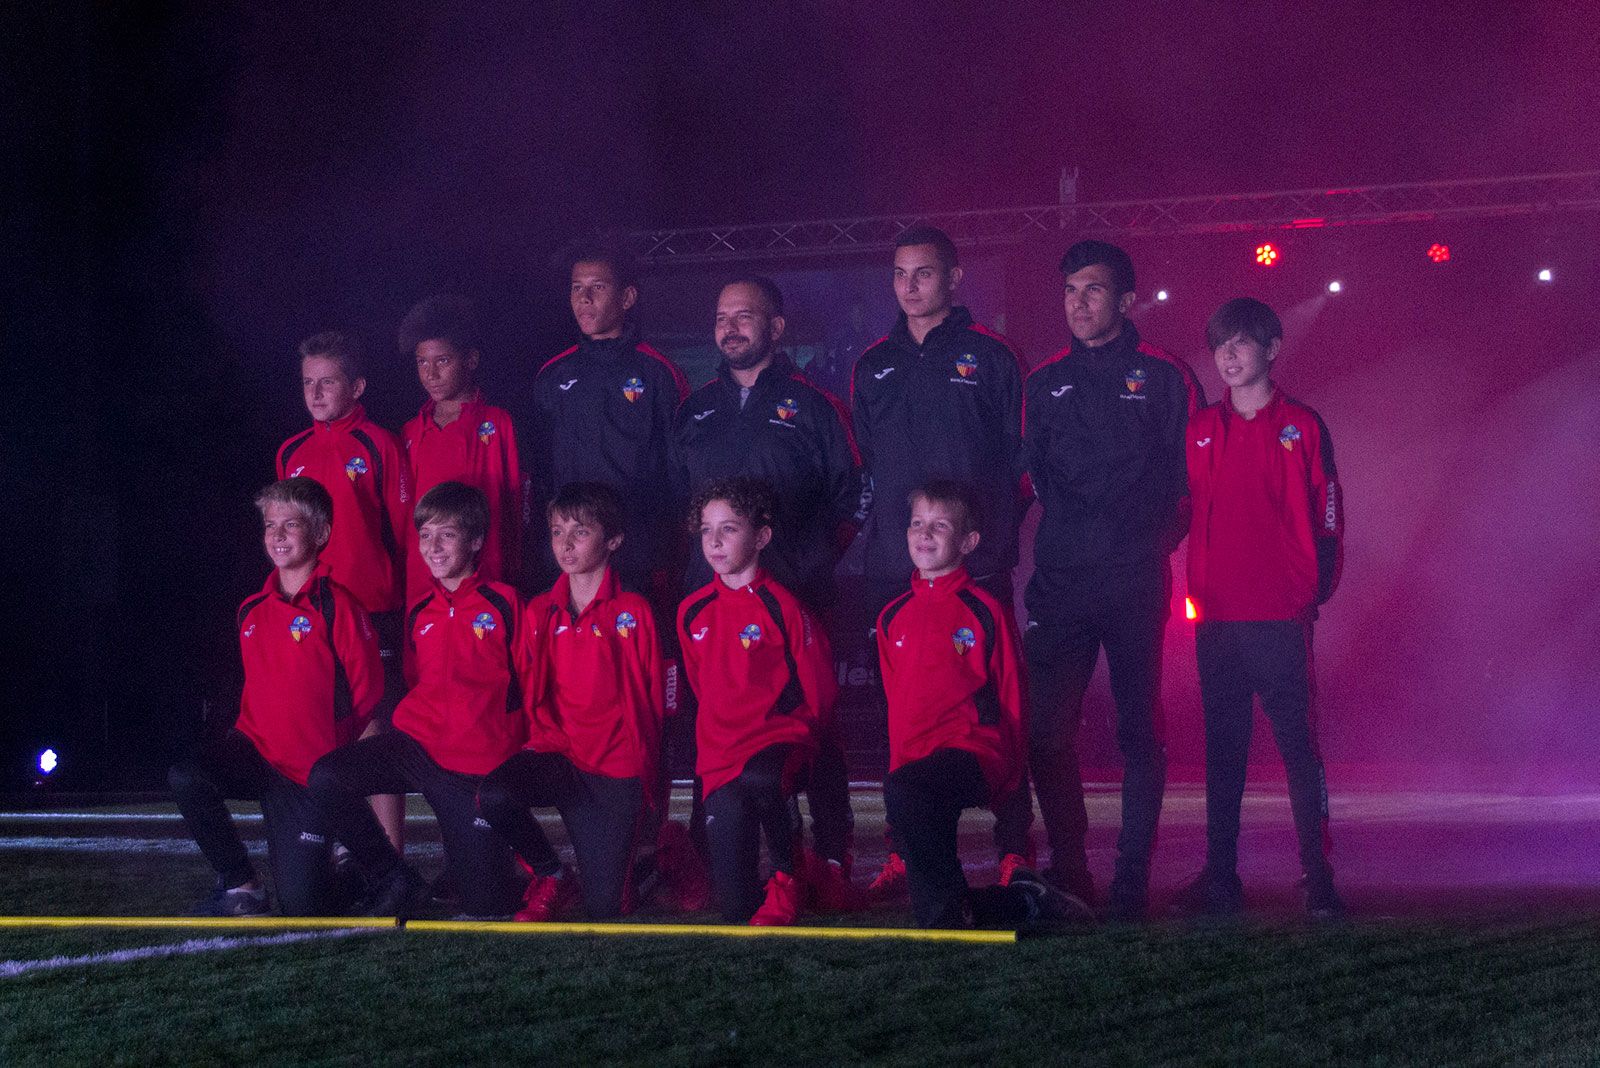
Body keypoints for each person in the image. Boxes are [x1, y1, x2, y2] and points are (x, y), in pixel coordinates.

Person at [1014, 239, 1202, 921]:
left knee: (1137, 734)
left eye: (1092, 290)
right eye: (1069, 291)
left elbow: (1192, 485)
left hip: (1133, 583)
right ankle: (1070, 867)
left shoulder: (1166, 378)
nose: (1078, 303)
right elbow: (1028, 480)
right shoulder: (1043, 384)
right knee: (1044, 734)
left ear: (1126, 300)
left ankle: (1130, 877)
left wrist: (1149, 545)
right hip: (1061, 584)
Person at [672, 276, 863, 909]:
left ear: (776, 329)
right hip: (716, 602)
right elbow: (679, 501)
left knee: (817, 725)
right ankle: (718, 856)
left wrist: (811, 564)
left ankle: (830, 855)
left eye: (745, 316)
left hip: (797, 599)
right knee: (717, 721)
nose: (730, 327)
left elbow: (853, 494)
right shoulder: (695, 409)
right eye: (722, 316)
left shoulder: (814, 405)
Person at [850, 226, 1030, 893]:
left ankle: (1014, 847)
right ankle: (907, 847)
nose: (909, 285)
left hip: (973, 570)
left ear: (954, 279)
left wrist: (993, 537)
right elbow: (869, 459)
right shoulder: (873, 364)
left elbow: (1023, 458)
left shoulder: (994, 355)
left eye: (923, 273)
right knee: (901, 710)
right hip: (895, 573)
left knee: (997, 707)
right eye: (900, 273)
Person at [1171, 298, 1344, 920]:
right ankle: (1222, 879)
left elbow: (1327, 508)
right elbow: (1183, 509)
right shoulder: (1198, 429)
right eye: (1220, 345)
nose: (1228, 355)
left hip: (1279, 617)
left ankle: (1317, 876)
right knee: (1223, 752)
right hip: (1216, 619)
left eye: (1241, 343)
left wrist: (1311, 588)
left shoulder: (1302, 424)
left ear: (1272, 348)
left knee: (1298, 748)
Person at [307, 482, 527, 918]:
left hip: (473, 767)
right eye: (425, 535)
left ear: (476, 539)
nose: (433, 546)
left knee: (486, 906)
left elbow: (530, 684)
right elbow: (415, 679)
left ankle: (503, 864)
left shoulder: (506, 603)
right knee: (327, 777)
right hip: (420, 750)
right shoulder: (419, 610)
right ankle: (394, 877)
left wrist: (514, 759)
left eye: (447, 534)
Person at [169, 478, 381, 915]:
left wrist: (335, 778)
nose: (278, 536)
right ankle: (242, 884)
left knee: (305, 907)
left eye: (291, 525)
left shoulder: (338, 606)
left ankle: (348, 865)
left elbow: (365, 699)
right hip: (256, 755)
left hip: (305, 774)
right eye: (270, 526)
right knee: (186, 775)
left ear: (321, 534)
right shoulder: (251, 609)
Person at [877, 481, 1082, 929]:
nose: (924, 534)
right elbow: (897, 706)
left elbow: (1013, 693)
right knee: (938, 916)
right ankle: (1025, 902)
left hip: (974, 752)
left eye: (939, 525)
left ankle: (991, 902)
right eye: (917, 524)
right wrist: (897, 769)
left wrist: (1009, 774)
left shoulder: (984, 608)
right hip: (915, 767)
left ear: (968, 542)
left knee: (909, 791)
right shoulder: (892, 616)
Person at [477, 482, 664, 921]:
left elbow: (656, 704)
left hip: (616, 772)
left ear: (613, 540)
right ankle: (552, 874)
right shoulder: (540, 610)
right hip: (560, 757)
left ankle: (660, 856)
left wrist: (647, 780)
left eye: (580, 532)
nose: (565, 543)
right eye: (557, 531)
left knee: (607, 911)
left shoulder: (633, 611)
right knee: (496, 795)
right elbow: (527, 683)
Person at [678, 478, 835, 924]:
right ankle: (796, 876)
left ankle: (789, 878)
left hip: (778, 740)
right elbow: (700, 683)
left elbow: (818, 687)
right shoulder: (692, 610)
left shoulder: (781, 605)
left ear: (762, 537)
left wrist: (804, 740)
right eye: (706, 530)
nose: (714, 541)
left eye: (728, 529)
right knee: (734, 910)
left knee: (763, 778)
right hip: (720, 757)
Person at [276, 331, 411, 850]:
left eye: (327, 381)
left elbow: (402, 531)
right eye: (307, 383)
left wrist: (402, 604)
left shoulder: (379, 443)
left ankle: (391, 853)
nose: (315, 393)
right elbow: (287, 535)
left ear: (356, 386)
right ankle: (333, 847)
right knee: (319, 722)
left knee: (374, 726)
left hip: (373, 608)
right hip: (312, 611)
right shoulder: (291, 451)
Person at [527, 242, 687, 595]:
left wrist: (670, 545)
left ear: (627, 297)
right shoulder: (553, 375)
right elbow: (539, 472)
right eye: (576, 288)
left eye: (597, 287)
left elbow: (679, 470)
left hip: (639, 552)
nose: (584, 298)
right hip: (573, 554)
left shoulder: (658, 373)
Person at [398, 294, 524, 596]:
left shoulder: (497, 423)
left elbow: (516, 505)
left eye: (442, 360)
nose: (431, 374)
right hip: (424, 581)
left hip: (486, 577)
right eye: (422, 362)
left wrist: (515, 571)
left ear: (470, 360)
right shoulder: (410, 432)